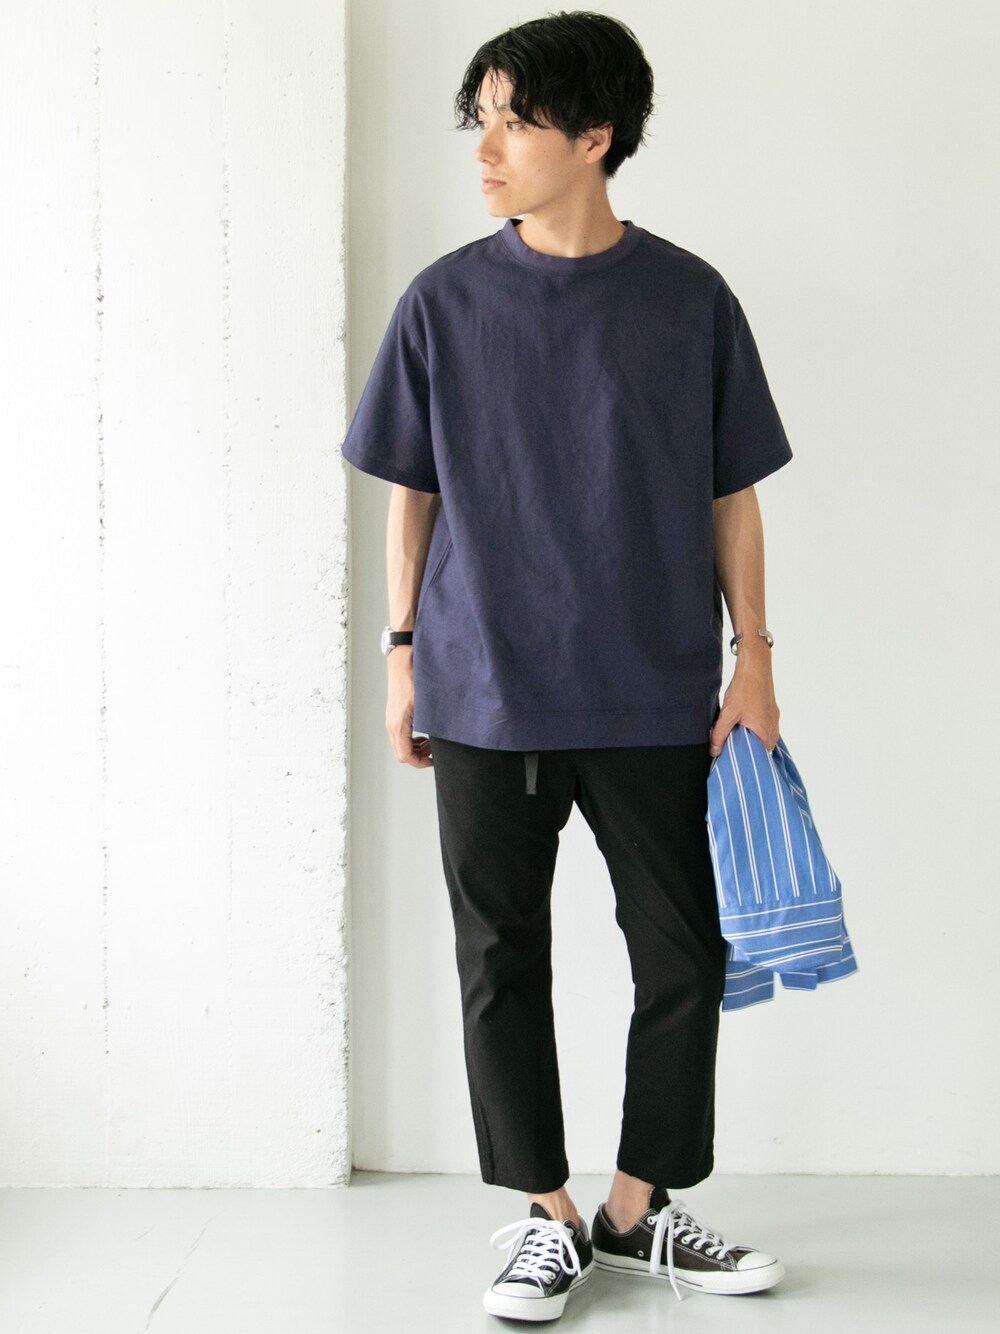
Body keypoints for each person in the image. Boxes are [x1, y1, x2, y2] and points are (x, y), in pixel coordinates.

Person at [342, 10, 793, 1322]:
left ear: (595, 137)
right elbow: (413, 493)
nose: (485, 149)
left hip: (652, 686)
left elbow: (731, 494)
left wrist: (754, 660)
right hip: (482, 683)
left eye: (514, 122)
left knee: (685, 955)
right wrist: (402, 657)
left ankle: (638, 1210)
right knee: (501, 959)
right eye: (478, 120)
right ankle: (544, 1218)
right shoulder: (443, 301)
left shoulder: (689, 300)